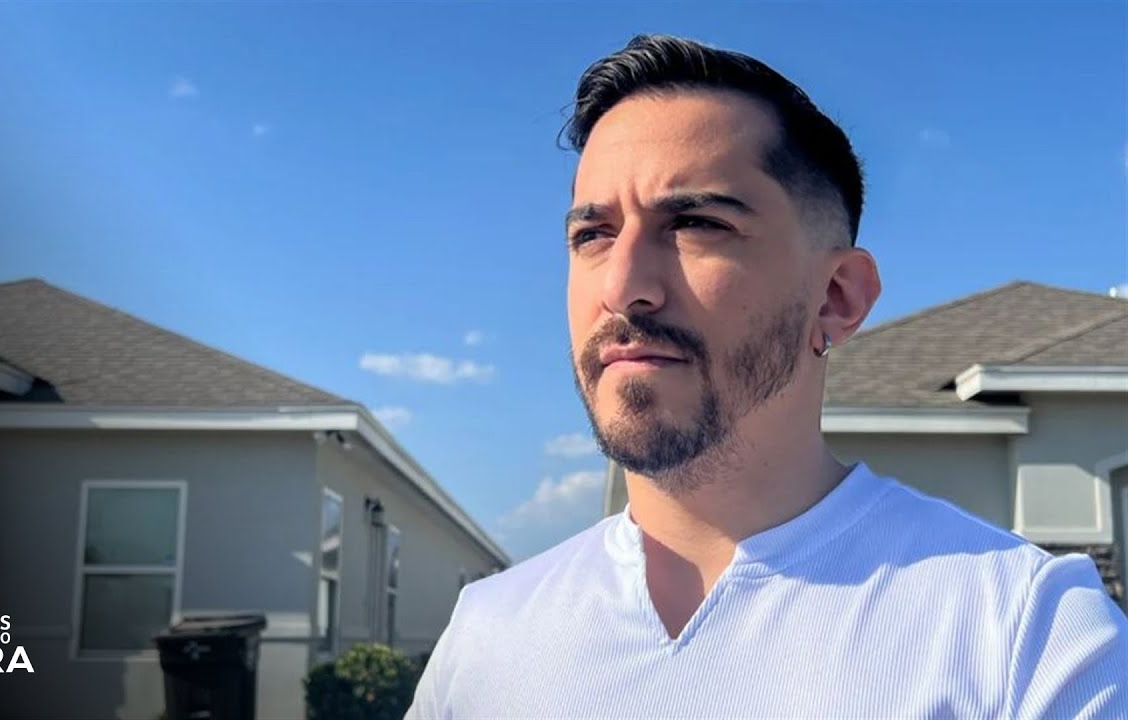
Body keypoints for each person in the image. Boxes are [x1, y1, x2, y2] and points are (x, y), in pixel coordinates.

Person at [406, 34, 1127, 719]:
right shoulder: (487, 638)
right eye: (593, 235)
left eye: (696, 223)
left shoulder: (1028, 636)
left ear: (836, 297)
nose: (622, 288)